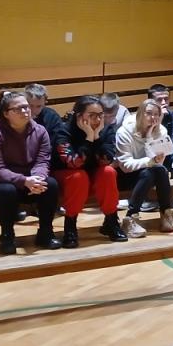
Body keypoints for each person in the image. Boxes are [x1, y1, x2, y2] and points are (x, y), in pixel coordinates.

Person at [0, 90, 61, 255]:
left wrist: (38, 179)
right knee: (7, 190)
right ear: (6, 114)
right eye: (18, 109)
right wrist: (24, 181)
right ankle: (7, 237)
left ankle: (45, 233)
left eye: (26, 107)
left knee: (50, 184)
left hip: (27, 182)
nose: (25, 111)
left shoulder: (40, 131)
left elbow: (43, 161)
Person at [53, 95, 125, 247]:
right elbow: (73, 163)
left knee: (108, 172)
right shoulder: (63, 130)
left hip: (92, 174)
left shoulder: (106, 130)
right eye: (92, 115)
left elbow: (107, 160)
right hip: (66, 175)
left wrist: (96, 137)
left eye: (100, 115)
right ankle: (70, 227)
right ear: (79, 116)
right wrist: (88, 139)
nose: (98, 120)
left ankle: (111, 222)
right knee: (79, 176)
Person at [114, 99, 173, 238]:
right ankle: (130, 218)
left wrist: (149, 137)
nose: (153, 117)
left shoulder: (161, 131)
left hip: (149, 173)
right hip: (125, 176)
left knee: (159, 170)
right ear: (140, 114)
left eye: (156, 114)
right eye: (148, 113)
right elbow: (125, 166)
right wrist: (149, 161)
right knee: (151, 172)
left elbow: (158, 163)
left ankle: (166, 214)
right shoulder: (124, 132)